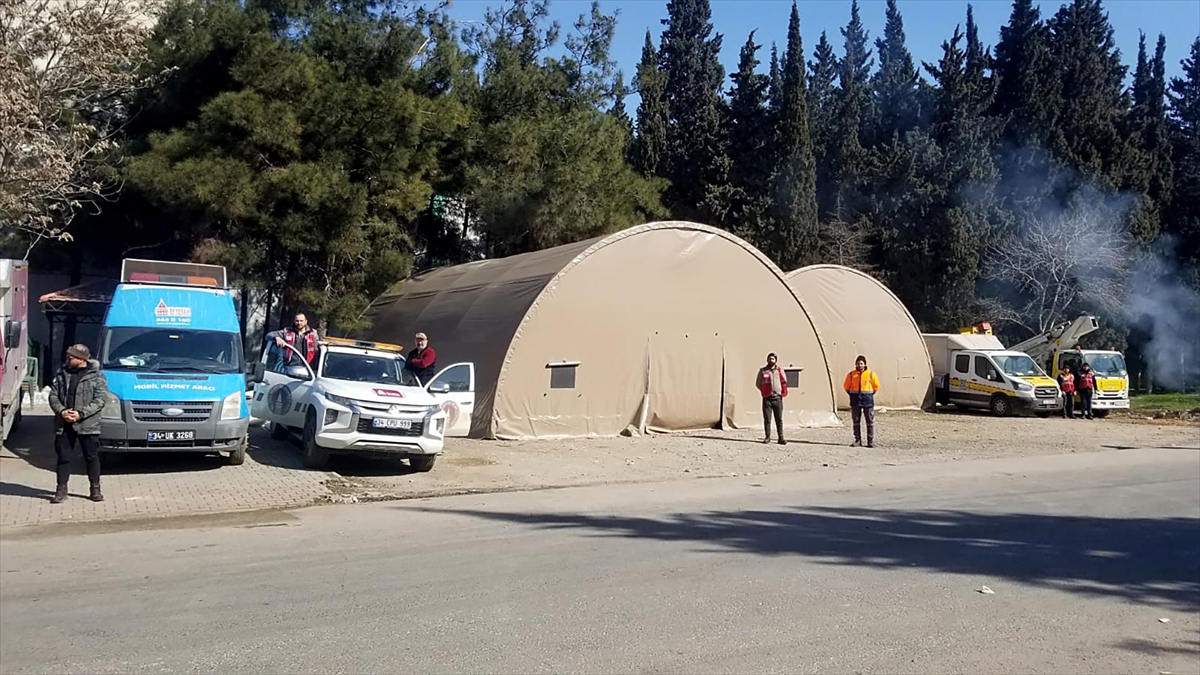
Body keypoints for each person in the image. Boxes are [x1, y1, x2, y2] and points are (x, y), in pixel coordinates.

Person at [48, 345, 109, 504]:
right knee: (63, 457)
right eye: (67, 357)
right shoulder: (62, 374)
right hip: (64, 424)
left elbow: (101, 400)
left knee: (91, 457)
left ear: (81, 359)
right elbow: (53, 395)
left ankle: (95, 489)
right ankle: (61, 490)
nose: (67, 360)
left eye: (71, 357)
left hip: (88, 424)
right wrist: (62, 411)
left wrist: (81, 414)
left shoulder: (97, 376)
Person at [844, 355, 881, 448]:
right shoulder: (851, 375)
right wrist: (852, 394)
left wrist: (869, 394)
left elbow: (876, 386)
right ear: (855, 364)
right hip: (855, 400)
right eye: (858, 363)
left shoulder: (871, 374)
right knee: (856, 421)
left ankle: (870, 441)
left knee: (869, 421)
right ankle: (857, 440)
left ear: (865, 364)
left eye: (861, 363)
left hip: (867, 400)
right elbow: (846, 386)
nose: (859, 365)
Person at [757, 353, 788, 445]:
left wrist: (780, 392)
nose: (771, 360)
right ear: (767, 360)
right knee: (767, 419)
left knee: (779, 419)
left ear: (776, 360)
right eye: (770, 359)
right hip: (767, 399)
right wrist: (765, 391)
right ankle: (767, 437)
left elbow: (784, 381)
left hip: (777, 398)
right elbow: (758, 383)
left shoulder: (779, 370)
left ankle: (781, 437)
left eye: (773, 359)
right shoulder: (763, 371)